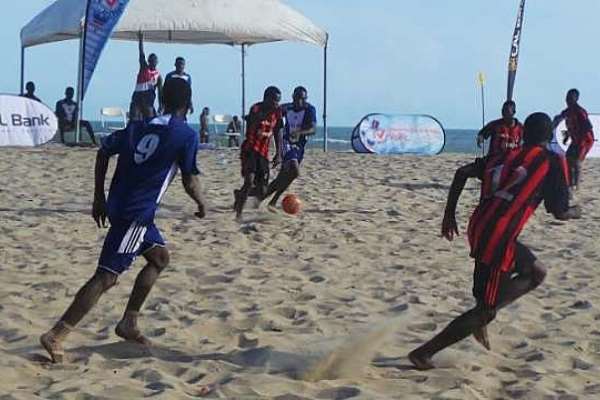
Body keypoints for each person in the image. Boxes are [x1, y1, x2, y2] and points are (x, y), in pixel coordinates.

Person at [40, 78, 206, 364]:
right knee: (106, 276)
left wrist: (98, 197)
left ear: (163, 100)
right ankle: (57, 334)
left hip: (119, 205)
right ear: (188, 105)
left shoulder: (138, 126)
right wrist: (202, 204)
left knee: (160, 258)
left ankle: (129, 322)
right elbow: (190, 182)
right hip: (135, 215)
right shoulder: (186, 135)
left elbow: (103, 151)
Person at [408, 112, 581, 370]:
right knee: (486, 310)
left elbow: (461, 172)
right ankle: (424, 353)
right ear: (549, 136)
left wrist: (449, 215)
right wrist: (576, 211)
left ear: (523, 134)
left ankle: (482, 315)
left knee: (536, 272)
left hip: (479, 226)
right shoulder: (552, 160)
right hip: (498, 235)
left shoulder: (503, 156)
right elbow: (559, 211)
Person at [261, 86, 316, 208]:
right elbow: (273, 115)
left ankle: (259, 199)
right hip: (286, 143)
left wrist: (299, 133)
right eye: (297, 98)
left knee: (283, 177)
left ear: (306, 99)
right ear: (293, 97)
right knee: (295, 171)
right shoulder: (286, 108)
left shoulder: (309, 109)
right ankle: (273, 201)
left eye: (303, 99)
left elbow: (313, 129)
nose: (299, 101)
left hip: (299, 147)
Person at [233, 86, 284, 219]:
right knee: (249, 181)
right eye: (274, 101)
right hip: (250, 150)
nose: (276, 104)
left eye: (278, 101)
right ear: (266, 99)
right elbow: (252, 123)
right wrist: (254, 118)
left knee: (262, 190)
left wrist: (279, 153)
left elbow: (278, 132)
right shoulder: (256, 109)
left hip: (263, 153)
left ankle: (240, 195)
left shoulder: (277, 113)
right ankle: (239, 214)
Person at [552, 89, 594, 192]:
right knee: (567, 159)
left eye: (570, 98)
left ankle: (576, 185)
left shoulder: (580, 112)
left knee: (576, 161)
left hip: (585, 140)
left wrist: (577, 134)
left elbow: (588, 126)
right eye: (567, 98)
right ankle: (570, 183)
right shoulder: (567, 111)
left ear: (576, 99)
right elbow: (560, 118)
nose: (568, 100)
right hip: (575, 140)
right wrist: (555, 123)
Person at [129, 32, 163, 121]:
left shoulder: (158, 76)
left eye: (154, 60)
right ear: (148, 61)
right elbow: (141, 53)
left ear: (157, 62)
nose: (153, 62)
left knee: (149, 118)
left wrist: (161, 104)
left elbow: (160, 92)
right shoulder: (144, 68)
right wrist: (141, 40)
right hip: (138, 95)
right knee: (134, 118)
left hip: (148, 97)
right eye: (151, 60)